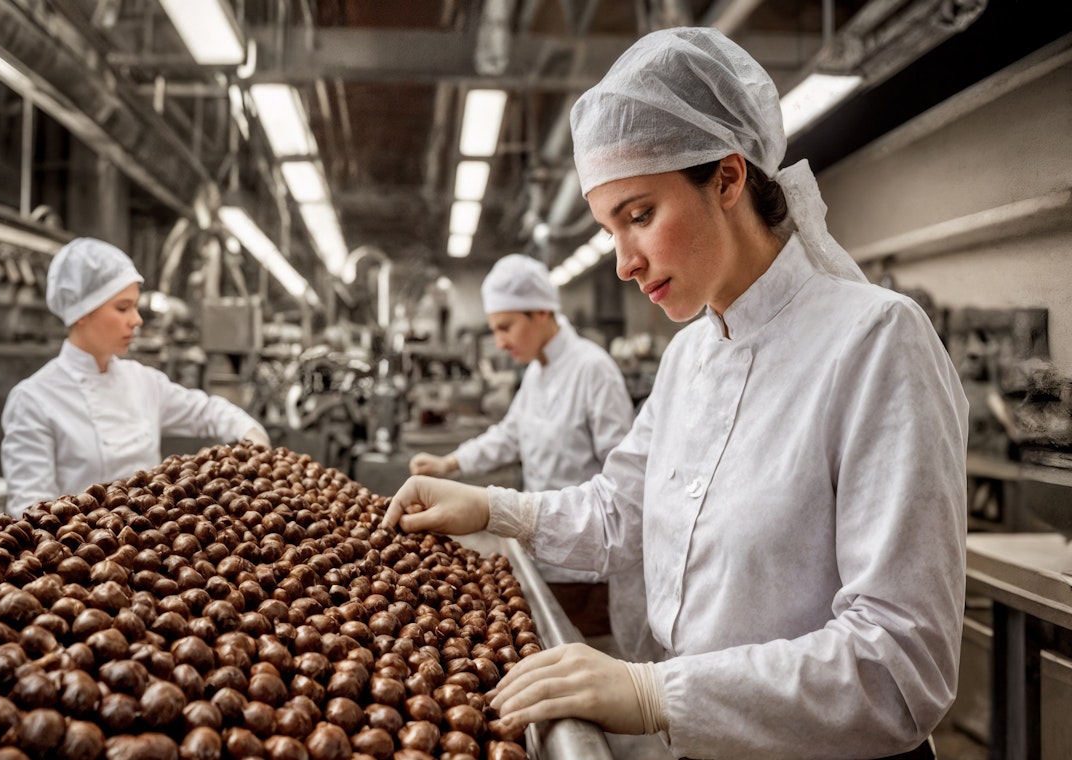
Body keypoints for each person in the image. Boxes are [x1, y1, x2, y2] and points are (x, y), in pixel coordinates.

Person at [384, 27, 968, 760]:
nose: (624, 264)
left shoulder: (876, 342)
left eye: (639, 215)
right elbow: (621, 512)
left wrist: (657, 692)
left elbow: (899, 665)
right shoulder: (689, 356)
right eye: (608, 227)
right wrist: (492, 508)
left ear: (727, 178)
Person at [409, 253, 658, 663]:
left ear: (542, 311)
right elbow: (511, 433)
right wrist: (450, 463)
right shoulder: (537, 373)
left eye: (506, 327)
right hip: (541, 551)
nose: (501, 342)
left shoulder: (593, 371)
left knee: (586, 667)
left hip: (586, 571)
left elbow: (624, 480)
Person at [1, 237, 269, 516]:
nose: (137, 319)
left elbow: (207, 411)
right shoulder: (33, 399)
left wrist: (252, 436)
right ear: (81, 312)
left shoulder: (143, 381)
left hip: (152, 544)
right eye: (123, 308)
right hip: (76, 553)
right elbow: (30, 513)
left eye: (136, 307)